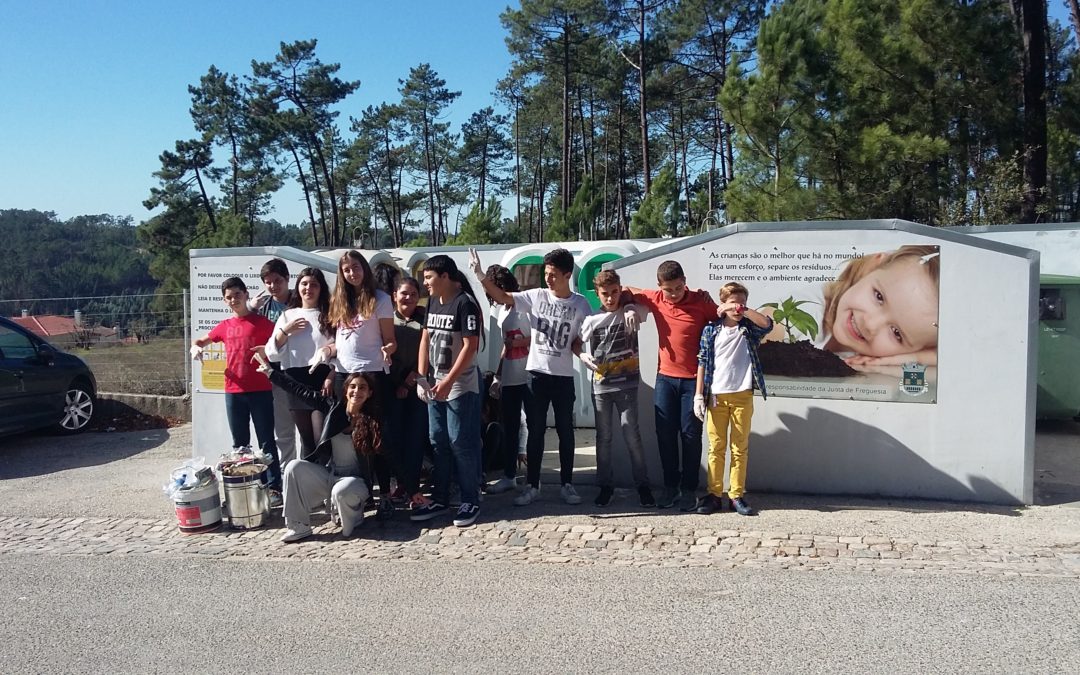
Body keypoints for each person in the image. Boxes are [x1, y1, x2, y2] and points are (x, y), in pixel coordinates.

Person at [469, 247, 596, 507]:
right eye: (546, 273)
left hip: (563, 377)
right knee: (536, 431)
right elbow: (503, 296)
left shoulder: (580, 303)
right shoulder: (536, 296)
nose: (548, 279)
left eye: (554, 275)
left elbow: (582, 337)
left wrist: (583, 355)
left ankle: (567, 484)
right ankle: (533, 485)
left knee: (565, 431)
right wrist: (481, 275)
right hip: (536, 375)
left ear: (567, 275)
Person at [623, 260, 722, 512]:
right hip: (665, 379)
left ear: (685, 281)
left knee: (690, 436)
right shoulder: (656, 298)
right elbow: (623, 289)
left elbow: (723, 319)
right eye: (670, 289)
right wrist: (630, 307)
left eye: (679, 287)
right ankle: (671, 487)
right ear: (660, 287)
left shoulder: (701, 302)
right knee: (665, 435)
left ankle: (689, 490)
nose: (675, 293)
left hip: (694, 382)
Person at [257, 360, 384, 543]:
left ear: (369, 393)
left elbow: (387, 457)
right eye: (353, 387)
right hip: (330, 476)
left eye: (362, 388)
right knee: (294, 467)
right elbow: (301, 391)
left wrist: (408, 493)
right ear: (346, 390)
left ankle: (354, 516)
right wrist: (271, 374)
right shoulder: (333, 409)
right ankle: (298, 526)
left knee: (342, 494)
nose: (357, 391)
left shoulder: (373, 421)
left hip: (357, 483)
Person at [316, 250, 397, 518]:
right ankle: (362, 491)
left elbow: (390, 340)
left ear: (365, 268)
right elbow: (337, 343)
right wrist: (327, 355)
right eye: (347, 269)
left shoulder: (381, 299)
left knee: (377, 436)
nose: (352, 273)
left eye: (356, 268)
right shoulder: (338, 301)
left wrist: (388, 350)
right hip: (344, 374)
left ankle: (385, 492)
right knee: (349, 435)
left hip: (372, 373)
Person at [409, 255, 485, 527]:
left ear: (444, 276)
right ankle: (440, 496)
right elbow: (426, 336)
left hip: (460, 385)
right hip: (434, 382)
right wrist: (421, 376)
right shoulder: (432, 302)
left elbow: (470, 345)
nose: (425, 283)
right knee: (437, 440)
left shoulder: (465, 303)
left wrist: (450, 380)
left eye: (429, 277)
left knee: (459, 442)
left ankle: (470, 499)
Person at [190, 277, 281, 501]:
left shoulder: (263, 323)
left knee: (266, 440)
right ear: (224, 300)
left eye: (237, 295)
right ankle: (244, 488)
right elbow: (200, 341)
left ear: (246, 294)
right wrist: (195, 348)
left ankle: (273, 487)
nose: (233, 300)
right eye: (228, 297)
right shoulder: (224, 326)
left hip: (261, 390)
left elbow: (281, 345)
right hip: (233, 392)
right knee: (240, 444)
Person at [693, 282, 773, 516]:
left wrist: (744, 310)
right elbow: (702, 361)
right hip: (716, 395)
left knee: (739, 448)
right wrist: (699, 394)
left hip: (742, 395)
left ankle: (736, 495)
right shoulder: (711, 330)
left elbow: (767, 325)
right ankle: (714, 494)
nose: (738, 308)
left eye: (742, 303)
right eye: (733, 304)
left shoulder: (748, 328)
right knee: (716, 447)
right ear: (723, 304)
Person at [578, 270, 655, 508]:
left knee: (632, 435)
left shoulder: (630, 312)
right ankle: (604, 486)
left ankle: (643, 485)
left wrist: (630, 303)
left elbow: (651, 302)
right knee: (604, 438)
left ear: (620, 289)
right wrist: (581, 355)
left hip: (628, 385)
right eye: (605, 294)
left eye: (614, 292)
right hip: (601, 386)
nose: (610, 298)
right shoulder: (591, 319)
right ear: (597, 295)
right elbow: (575, 342)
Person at [820, 245, 940, 374]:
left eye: (896, 333)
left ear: (921, 349)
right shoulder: (806, 309)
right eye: (879, 297)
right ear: (872, 268)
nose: (870, 324)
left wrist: (917, 358)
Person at [263, 267, 334, 461]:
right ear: (298, 287)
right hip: (295, 381)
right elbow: (272, 352)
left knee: (322, 439)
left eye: (314, 284)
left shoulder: (330, 314)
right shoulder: (287, 315)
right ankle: (310, 486)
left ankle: (326, 480)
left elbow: (341, 348)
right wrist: (285, 331)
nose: (308, 288)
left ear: (321, 288)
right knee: (307, 442)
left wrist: (331, 375)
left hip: (321, 380)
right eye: (304, 284)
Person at [482, 264, 531, 495]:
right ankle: (509, 475)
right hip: (511, 374)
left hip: (530, 373)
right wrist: (499, 375)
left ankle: (534, 477)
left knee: (534, 423)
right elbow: (505, 345)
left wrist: (519, 344)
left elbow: (539, 338)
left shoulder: (524, 305)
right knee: (510, 425)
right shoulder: (501, 311)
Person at [386, 276, 432, 509]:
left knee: (414, 439)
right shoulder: (386, 320)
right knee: (394, 439)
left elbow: (427, 355)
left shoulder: (424, 320)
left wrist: (409, 381)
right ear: (394, 295)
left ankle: (412, 486)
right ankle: (399, 483)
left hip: (415, 387)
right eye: (404, 293)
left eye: (413, 294)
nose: (409, 298)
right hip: (389, 387)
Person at [250, 258, 298, 471]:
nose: (273, 286)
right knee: (284, 431)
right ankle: (288, 479)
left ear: (287, 278)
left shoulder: (302, 300)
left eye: (277, 280)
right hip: (277, 375)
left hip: (302, 373)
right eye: (268, 282)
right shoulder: (263, 307)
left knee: (310, 431)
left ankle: (311, 477)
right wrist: (250, 309)